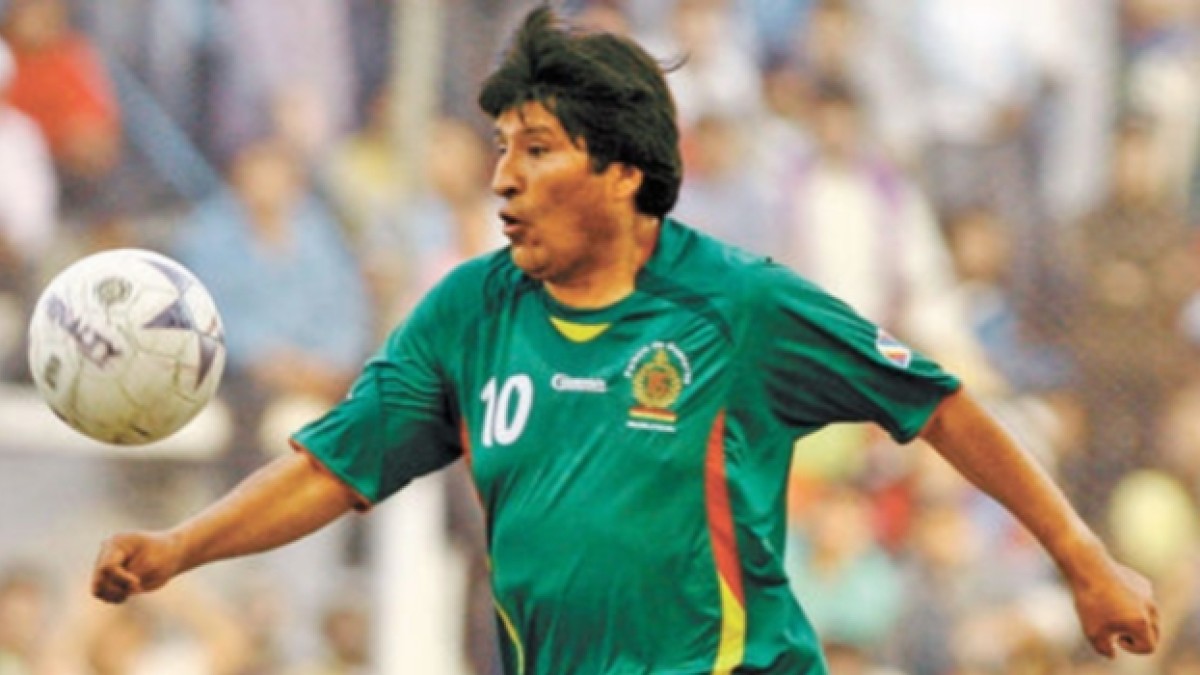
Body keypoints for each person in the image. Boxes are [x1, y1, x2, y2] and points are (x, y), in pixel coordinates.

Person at [91, 7, 1158, 674]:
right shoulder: (468, 312)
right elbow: (332, 466)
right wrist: (182, 548)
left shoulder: (738, 305)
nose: (502, 179)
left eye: (536, 150)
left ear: (622, 171)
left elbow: (940, 402)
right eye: (499, 148)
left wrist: (1084, 558)